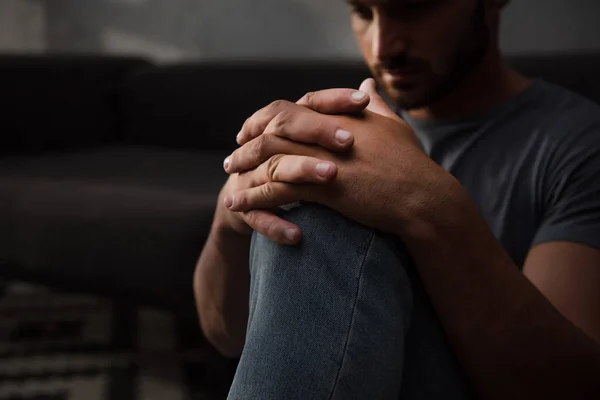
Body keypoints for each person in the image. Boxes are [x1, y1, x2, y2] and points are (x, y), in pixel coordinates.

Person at [194, 0, 600, 398]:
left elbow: (570, 386)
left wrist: (425, 205)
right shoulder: (344, 131)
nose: (383, 46)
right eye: (363, 12)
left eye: (413, 9)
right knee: (311, 193)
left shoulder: (581, 146)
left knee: (327, 205)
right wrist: (232, 214)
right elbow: (223, 334)